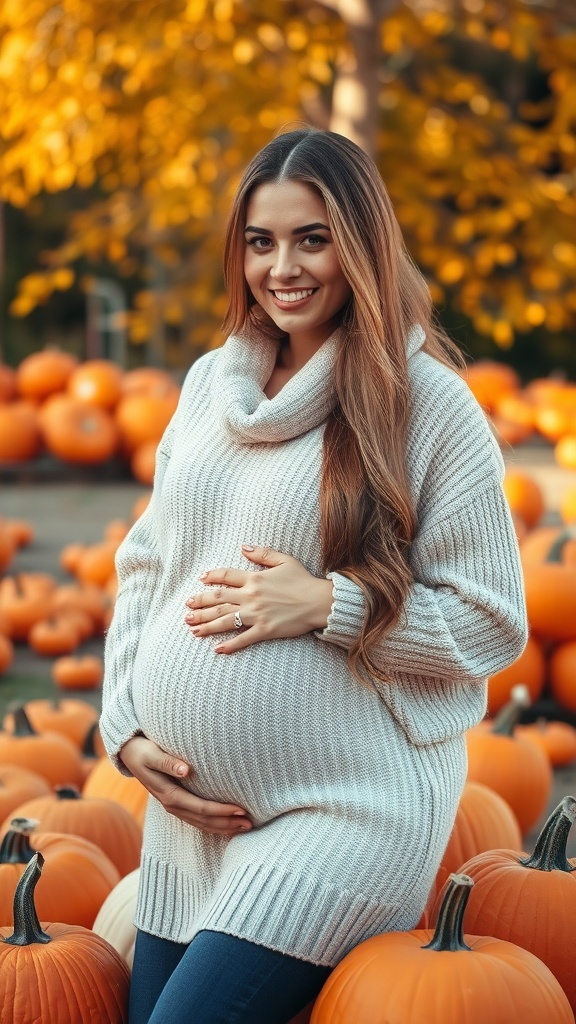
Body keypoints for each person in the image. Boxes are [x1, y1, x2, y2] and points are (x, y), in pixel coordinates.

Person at [100, 126, 528, 1024]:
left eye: (312, 238)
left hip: (345, 817)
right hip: (192, 825)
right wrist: (126, 730)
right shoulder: (211, 383)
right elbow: (146, 567)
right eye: (261, 242)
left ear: (361, 244)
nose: (283, 267)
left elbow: (493, 620)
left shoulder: (427, 404)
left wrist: (330, 604)